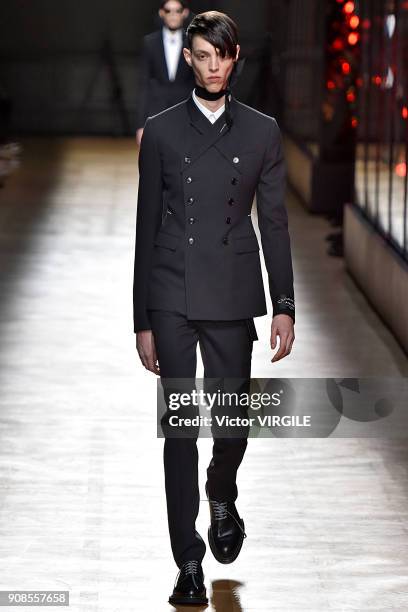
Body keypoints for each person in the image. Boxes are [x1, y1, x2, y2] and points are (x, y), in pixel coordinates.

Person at [133, 10, 296, 606]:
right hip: (171, 291)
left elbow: (274, 224)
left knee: (230, 424)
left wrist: (283, 304)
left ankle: (221, 487)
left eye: (220, 56)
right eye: (200, 56)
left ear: (234, 59)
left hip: (231, 292)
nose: (211, 66)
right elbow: (146, 223)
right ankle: (188, 563)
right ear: (189, 60)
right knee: (180, 430)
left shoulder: (261, 132)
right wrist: (142, 319)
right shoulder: (162, 131)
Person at [136, 0, 195, 147]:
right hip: (157, 113)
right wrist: (141, 125)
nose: (173, 15)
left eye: (177, 10)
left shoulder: (193, 43)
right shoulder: (149, 43)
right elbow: (144, 85)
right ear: (161, 13)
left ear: (185, 13)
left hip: (185, 114)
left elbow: (198, 82)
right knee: (157, 162)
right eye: (168, 11)